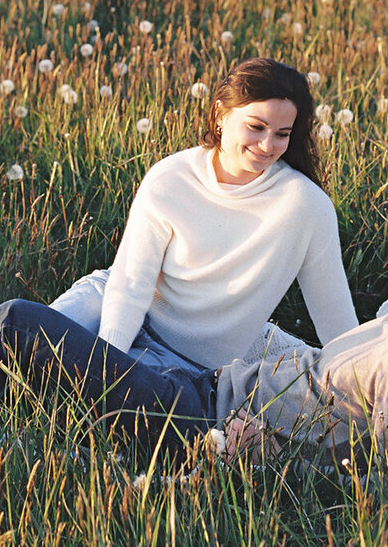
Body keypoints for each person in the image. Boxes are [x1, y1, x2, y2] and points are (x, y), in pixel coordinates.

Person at [0, 173, 388, 489]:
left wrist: (265, 458)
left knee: (18, 323)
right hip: (209, 388)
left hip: (196, 422)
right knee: (97, 310)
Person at [55, 57, 359, 375]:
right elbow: (130, 283)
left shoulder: (306, 206)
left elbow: (334, 314)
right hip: (111, 306)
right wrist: (110, 362)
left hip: (186, 363)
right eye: (256, 127)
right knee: (18, 337)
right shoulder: (171, 177)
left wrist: (362, 389)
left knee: (72, 384)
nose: (268, 145)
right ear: (220, 115)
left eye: (282, 134)